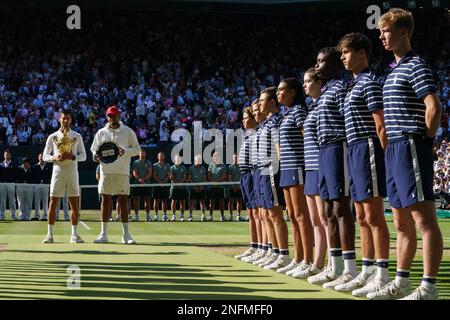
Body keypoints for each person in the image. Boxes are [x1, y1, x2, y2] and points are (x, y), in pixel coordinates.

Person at [368, 8, 443, 300]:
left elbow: (433, 106)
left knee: (424, 221)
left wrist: (425, 140)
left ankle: (429, 287)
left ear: (403, 32)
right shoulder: (393, 70)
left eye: (386, 31)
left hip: (410, 143)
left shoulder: (416, 66)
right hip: (395, 148)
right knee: (400, 222)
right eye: (381, 31)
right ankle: (401, 283)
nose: (382, 36)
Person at [336, 32, 391, 296]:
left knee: (373, 215)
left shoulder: (369, 82)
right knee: (360, 216)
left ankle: (382, 274)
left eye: (347, 52)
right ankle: (367, 270)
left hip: (368, 147)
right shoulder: (352, 86)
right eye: (342, 53)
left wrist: (387, 157)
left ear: (361, 53)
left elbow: (380, 124)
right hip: (354, 150)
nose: (343, 58)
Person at [315, 47, 352, 288]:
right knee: (328, 211)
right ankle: (335, 265)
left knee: (341, 209)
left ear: (335, 64)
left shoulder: (340, 89)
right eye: (317, 62)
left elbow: (346, 120)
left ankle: (349, 268)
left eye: (322, 62)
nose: (317, 66)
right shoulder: (326, 90)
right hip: (324, 150)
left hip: (338, 147)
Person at [276, 77, 316, 277]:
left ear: (292, 92)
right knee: (293, 216)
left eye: (281, 90)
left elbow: (306, 134)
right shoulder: (287, 113)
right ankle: (298, 258)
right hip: (287, 169)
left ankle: (308, 260)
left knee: (302, 217)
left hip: (298, 167)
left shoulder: (299, 110)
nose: (278, 93)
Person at [301, 68, 334, 284]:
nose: (304, 85)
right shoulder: (311, 107)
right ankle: (318, 262)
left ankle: (333, 263)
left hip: (321, 164)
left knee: (325, 218)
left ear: (319, 82)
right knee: (316, 220)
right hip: (310, 166)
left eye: (307, 81)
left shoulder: (323, 103)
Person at [91, 105, 141, 244]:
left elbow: (137, 149)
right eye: (109, 116)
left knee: (123, 201)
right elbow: (94, 151)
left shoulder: (128, 131)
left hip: (122, 171)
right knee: (105, 201)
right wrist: (95, 157)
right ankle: (103, 234)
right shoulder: (101, 132)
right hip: (106, 171)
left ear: (119, 116)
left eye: (114, 116)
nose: (111, 118)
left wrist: (125, 151)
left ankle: (126, 235)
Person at [257, 87, 290, 270]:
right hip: (263, 170)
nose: (260, 103)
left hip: (272, 170)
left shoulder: (275, 121)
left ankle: (282, 254)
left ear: (271, 103)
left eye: (262, 100)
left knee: (275, 214)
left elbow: (279, 148)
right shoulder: (265, 124)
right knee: (268, 214)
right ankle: (274, 251)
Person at [42, 110, 86, 243]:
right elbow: (45, 156)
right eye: (63, 118)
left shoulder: (77, 136)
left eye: (68, 118)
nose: (65, 121)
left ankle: (74, 234)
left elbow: (83, 156)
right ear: (59, 119)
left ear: (71, 120)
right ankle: (49, 235)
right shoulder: (53, 136)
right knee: (53, 202)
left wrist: (72, 157)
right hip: (58, 171)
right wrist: (55, 157)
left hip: (72, 172)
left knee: (74, 203)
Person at [234, 105, 260, 260]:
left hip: (252, 174)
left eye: (246, 118)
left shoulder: (256, 134)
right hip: (244, 175)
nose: (243, 121)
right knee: (250, 212)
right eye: (242, 119)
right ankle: (254, 245)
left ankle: (262, 246)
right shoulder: (246, 135)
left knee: (257, 212)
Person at [132, 150, 152, 222]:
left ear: (145, 154)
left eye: (143, 153)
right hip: (137, 184)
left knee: (147, 200)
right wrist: (139, 180)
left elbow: (150, 173)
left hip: (146, 184)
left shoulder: (148, 162)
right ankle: (136, 216)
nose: (142, 154)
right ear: (139, 154)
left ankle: (148, 215)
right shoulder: (136, 162)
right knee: (136, 200)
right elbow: (134, 173)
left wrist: (143, 180)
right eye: (141, 153)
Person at [207, 152, 228, 221]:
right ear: (213, 158)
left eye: (217, 156)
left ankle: (222, 216)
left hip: (220, 187)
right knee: (211, 202)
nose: (216, 157)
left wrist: (217, 182)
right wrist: (213, 182)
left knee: (221, 203)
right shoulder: (210, 165)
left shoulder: (223, 166)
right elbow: (209, 175)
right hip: (212, 188)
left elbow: (224, 176)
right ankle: (210, 216)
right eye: (214, 156)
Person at [32, 153, 52, 221]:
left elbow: (50, 176)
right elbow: (33, 177)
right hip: (37, 186)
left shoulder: (48, 166)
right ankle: (37, 216)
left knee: (45, 201)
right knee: (37, 201)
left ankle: (45, 216)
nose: (41, 158)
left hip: (45, 186)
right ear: (38, 158)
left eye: (43, 157)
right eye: (40, 157)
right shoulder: (35, 167)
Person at [187, 154, 207, 222]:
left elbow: (204, 178)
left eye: (200, 160)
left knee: (202, 203)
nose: (199, 161)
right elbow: (189, 179)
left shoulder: (203, 168)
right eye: (197, 159)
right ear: (195, 160)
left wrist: (201, 186)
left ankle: (203, 216)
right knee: (191, 203)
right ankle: (190, 216)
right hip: (193, 189)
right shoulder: (190, 168)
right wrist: (195, 187)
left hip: (201, 189)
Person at [153, 152, 171, 221]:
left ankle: (164, 215)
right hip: (157, 185)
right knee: (156, 200)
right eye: (160, 156)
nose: (161, 157)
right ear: (158, 157)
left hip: (165, 185)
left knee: (164, 201)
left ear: (164, 157)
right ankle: (156, 215)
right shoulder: (155, 165)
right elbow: (154, 175)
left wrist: (163, 182)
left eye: (162, 156)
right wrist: (159, 182)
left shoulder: (167, 165)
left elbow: (168, 175)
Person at [0, 149, 18, 220]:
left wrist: (13, 181)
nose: (7, 156)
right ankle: (2, 216)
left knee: (12, 201)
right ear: (4, 156)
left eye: (8, 155)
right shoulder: (0, 165)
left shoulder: (14, 164)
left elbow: (16, 175)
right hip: (2, 184)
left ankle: (13, 216)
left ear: (10, 156)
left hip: (11, 184)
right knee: (2, 201)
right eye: (6, 155)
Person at [169, 155, 187, 221]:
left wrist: (180, 183)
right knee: (174, 202)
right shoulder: (171, 168)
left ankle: (182, 216)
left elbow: (184, 177)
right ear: (174, 160)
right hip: (174, 188)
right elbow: (171, 177)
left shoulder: (184, 168)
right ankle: (173, 216)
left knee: (182, 202)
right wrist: (177, 183)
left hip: (182, 188)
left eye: (179, 159)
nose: (178, 160)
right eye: (177, 159)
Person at [227, 154, 242, 221]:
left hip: (239, 187)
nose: (235, 159)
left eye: (236, 157)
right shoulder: (230, 167)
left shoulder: (241, 167)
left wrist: (239, 186)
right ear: (232, 158)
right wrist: (233, 187)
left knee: (239, 201)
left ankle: (238, 215)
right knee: (231, 201)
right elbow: (229, 178)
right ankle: (231, 216)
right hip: (232, 187)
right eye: (234, 157)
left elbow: (242, 177)